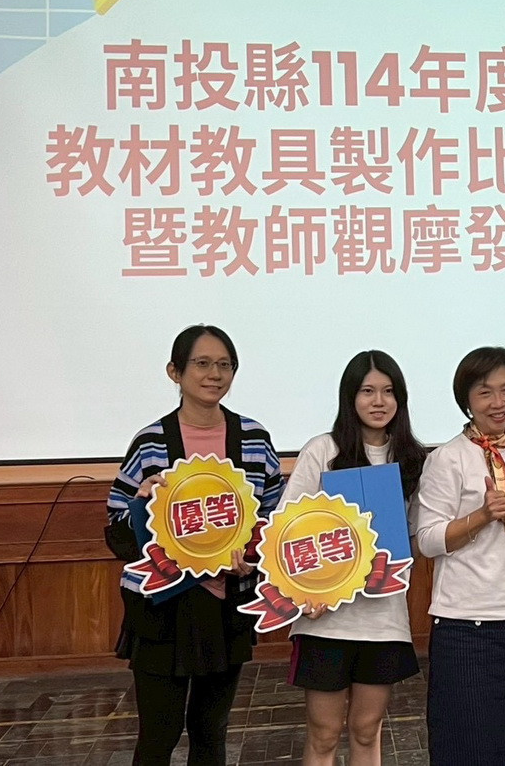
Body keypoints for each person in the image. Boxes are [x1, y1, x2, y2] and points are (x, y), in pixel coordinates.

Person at [104, 325, 282, 765]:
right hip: (162, 607)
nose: (214, 374)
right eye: (202, 364)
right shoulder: (150, 441)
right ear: (175, 372)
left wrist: (253, 559)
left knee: (211, 732)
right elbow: (115, 528)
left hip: (227, 605)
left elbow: (272, 520)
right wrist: (140, 501)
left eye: (224, 365)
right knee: (158, 735)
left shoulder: (254, 438)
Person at [282, 351, 428, 766]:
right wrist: (303, 593)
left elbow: (418, 536)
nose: (378, 401)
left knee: (367, 730)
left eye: (388, 391)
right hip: (325, 619)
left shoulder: (413, 460)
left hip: (383, 620)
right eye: (367, 391)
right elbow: (289, 527)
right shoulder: (323, 451)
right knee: (324, 733)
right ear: (350, 397)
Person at [413, 347, 505, 766]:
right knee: (466, 739)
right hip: (464, 619)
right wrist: (480, 516)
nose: (498, 402)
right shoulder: (446, 458)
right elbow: (428, 540)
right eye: (485, 392)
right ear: (467, 400)